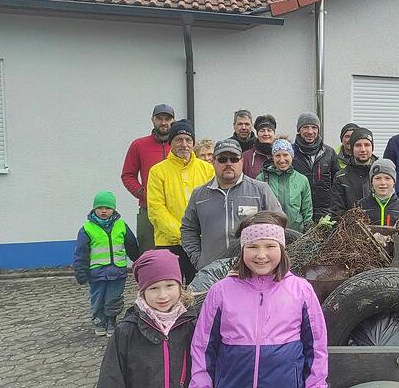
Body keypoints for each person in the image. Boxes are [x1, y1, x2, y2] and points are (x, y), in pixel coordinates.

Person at [190, 213, 328, 387]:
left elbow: (316, 347)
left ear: (282, 249)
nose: (261, 255)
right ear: (242, 250)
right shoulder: (221, 291)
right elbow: (203, 347)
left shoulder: (301, 290)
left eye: (270, 246)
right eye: (252, 247)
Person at [98, 250, 198, 388]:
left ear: (181, 287)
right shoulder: (126, 331)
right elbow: (110, 377)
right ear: (142, 291)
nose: (163, 295)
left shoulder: (193, 324)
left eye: (170, 285)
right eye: (153, 288)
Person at [182, 139, 283, 270]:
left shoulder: (261, 190)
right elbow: (188, 229)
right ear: (213, 162)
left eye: (234, 159)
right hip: (211, 271)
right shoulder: (199, 195)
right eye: (222, 159)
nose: (228, 163)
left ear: (241, 161)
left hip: (251, 270)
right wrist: (198, 259)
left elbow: (279, 225)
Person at [147, 119, 214, 284]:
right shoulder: (157, 171)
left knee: (199, 289)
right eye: (178, 139)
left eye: (188, 140)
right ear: (171, 143)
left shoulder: (207, 169)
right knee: (170, 288)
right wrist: (183, 234)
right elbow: (156, 210)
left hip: (201, 242)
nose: (184, 144)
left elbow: (215, 203)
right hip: (168, 243)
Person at [73, 191, 136, 337]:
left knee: (114, 298)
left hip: (117, 272)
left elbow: (132, 246)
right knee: (98, 298)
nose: (103, 211)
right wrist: (80, 271)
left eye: (107, 208)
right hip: (97, 273)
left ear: (113, 209)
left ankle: (112, 321)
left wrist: (139, 262)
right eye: (100, 207)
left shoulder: (121, 225)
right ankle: (99, 319)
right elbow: (81, 252)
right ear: (94, 209)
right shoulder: (87, 229)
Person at [121, 103, 174, 255]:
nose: (163, 123)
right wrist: (142, 193)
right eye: (159, 118)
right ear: (152, 120)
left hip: (176, 210)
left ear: (173, 120)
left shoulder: (179, 145)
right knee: (149, 256)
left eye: (167, 119)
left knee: (177, 257)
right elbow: (127, 175)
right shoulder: (139, 145)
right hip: (148, 210)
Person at [257, 137, 313, 232]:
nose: (282, 160)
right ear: (273, 157)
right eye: (278, 155)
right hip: (271, 234)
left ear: (292, 156)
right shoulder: (261, 179)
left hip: (297, 235)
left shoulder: (302, 180)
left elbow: (307, 211)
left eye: (285, 155)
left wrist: (308, 233)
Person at [292, 112, 339, 221]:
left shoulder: (329, 152)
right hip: (298, 213)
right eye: (305, 127)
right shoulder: (290, 153)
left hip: (325, 214)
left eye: (314, 127)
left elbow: (337, 183)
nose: (310, 132)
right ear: (299, 130)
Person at [331, 127, 378, 216]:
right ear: (352, 148)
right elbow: (336, 211)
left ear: (372, 147)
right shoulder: (341, 177)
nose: (363, 149)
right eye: (358, 145)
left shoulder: (381, 174)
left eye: (367, 145)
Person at [357, 159, 399, 226]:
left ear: (394, 181)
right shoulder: (361, 206)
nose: (383, 183)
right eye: (378, 178)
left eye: (387, 178)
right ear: (371, 182)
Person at [242, 114, 276, 179]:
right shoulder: (246, 157)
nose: (266, 134)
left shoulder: (282, 156)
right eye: (262, 131)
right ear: (257, 134)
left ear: (274, 133)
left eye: (269, 130)